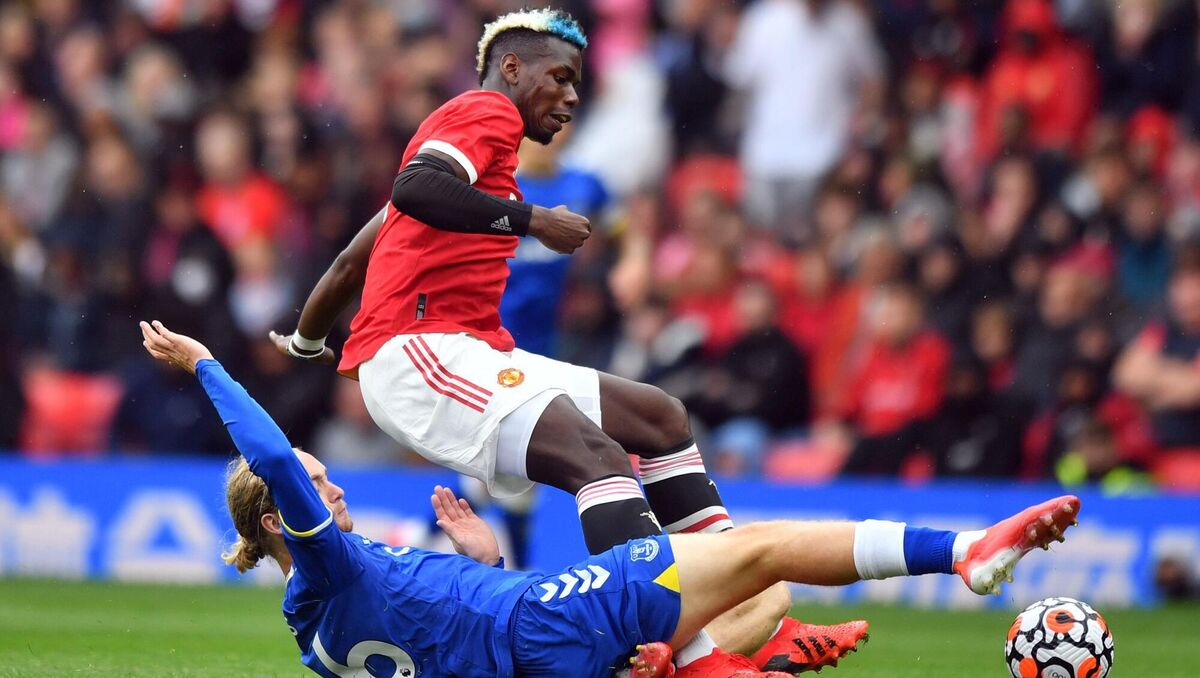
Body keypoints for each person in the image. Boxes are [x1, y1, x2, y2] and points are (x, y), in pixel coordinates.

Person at [267, 8, 854, 674]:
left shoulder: (489, 170)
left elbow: (352, 259)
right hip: (423, 354)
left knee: (658, 417)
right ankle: (664, 650)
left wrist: (309, 342)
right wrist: (534, 220)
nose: (574, 97)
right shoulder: (484, 112)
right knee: (592, 458)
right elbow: (414, 186)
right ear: (512, 69)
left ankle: (746, 601)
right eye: (562, 78)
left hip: (481, 355)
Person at [140, 319, 1083, 678]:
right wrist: (209, 365)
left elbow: (437, 646)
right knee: (758, 554)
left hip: (532, 641)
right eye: (308, 478)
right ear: (277, 519)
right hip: (549, 625)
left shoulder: (317, 637)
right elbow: (262, 445)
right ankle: (963, 550)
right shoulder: (326, 562)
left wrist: (480, 567)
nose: (328, 480)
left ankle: (745, 665)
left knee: (763, 603)